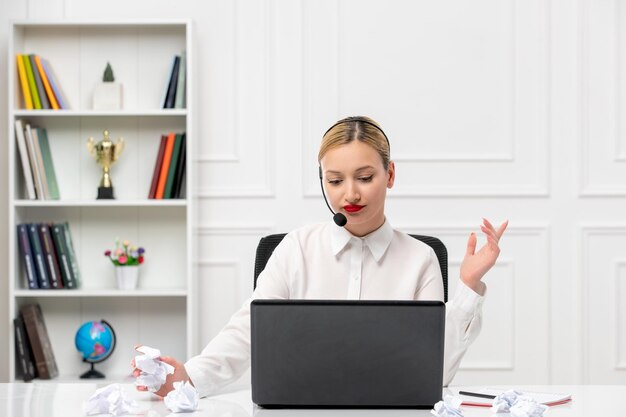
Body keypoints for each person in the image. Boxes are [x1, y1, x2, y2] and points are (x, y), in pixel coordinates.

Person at [133, 116, 508, 398]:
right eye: (335, 180)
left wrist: (468, 287)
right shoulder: (295, 249)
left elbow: (434, 373)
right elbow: (246, 334)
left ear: (389, 174)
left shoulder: (421, 259)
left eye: (364, 177)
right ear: (322, 181)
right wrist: (187, 377)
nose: (351, 194)